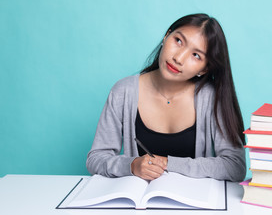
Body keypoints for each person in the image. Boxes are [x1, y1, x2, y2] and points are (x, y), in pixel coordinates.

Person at [86, 13, 246, 182]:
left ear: (204, 69)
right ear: (166, 36)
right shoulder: (123, 92)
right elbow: (95, 159)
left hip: (196, 204)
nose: (178, 58)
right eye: (178, 41)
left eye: (196, 55)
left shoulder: (213, 99)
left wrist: (168, 163)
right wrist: (132, 165)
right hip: (138, 204)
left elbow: (235, 166)